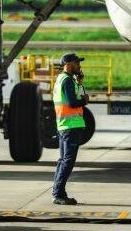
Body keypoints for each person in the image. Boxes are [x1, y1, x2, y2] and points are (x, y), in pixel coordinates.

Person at [52, 52, 88, 205]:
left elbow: (77, 98)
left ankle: (58, 192)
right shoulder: (66, 80)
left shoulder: (66, 79)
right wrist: (84, 100)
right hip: (70, 126)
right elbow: (74, 103)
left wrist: (80, 83)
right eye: (76, 62)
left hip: (66, 125)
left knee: (63, 160)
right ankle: (59, 194)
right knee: (67, 161)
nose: (79, 65)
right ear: (68, 64)